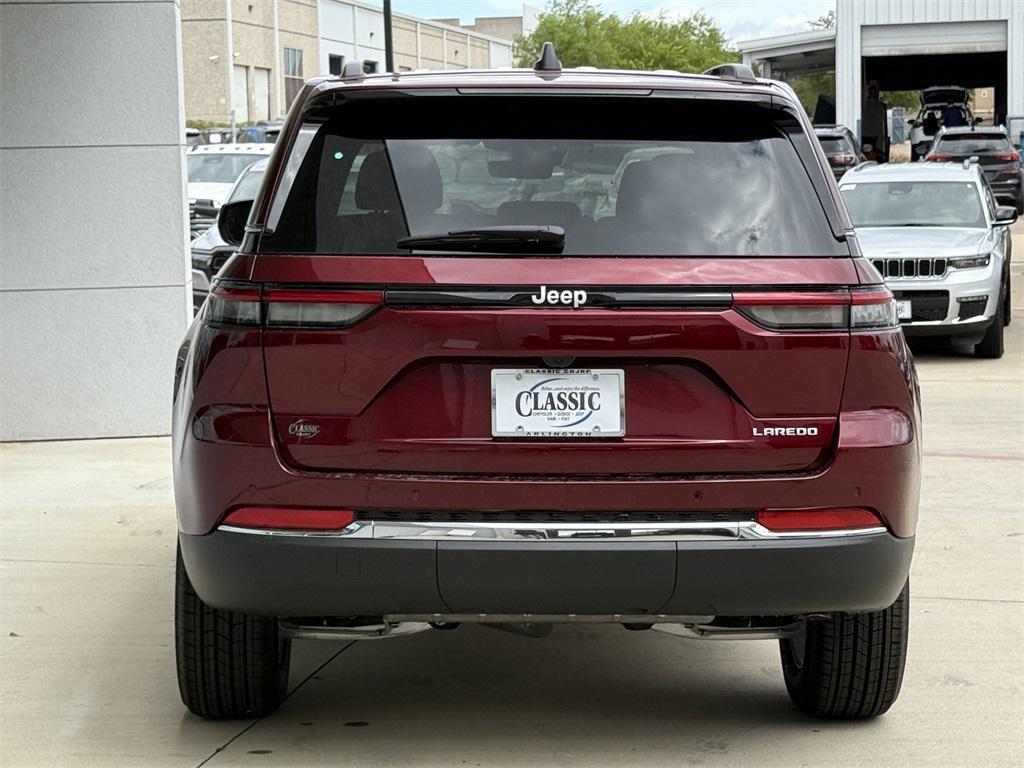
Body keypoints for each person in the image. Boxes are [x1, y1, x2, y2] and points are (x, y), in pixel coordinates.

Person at [862, 81, 889, 162]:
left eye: (874, 89)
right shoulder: (864, 105)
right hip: (867, 135)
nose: (872, 92)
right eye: (871, 89)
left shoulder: (879, 106)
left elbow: (879, 123)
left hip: (875, 136)